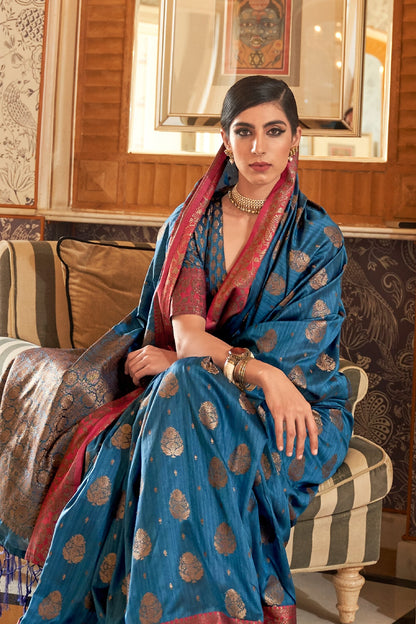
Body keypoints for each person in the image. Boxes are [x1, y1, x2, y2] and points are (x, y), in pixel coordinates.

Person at [7, 75, 351, 623]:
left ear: (296, 139)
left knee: (179, 387)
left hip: (294, 409)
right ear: (224, 140)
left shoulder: (316, 237)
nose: (258, 146)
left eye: (274, 131)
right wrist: (250, 371)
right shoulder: (193, 224)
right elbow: (188, 336)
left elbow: (296, 356)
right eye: (244, 131)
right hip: (217, 390)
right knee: (182, 389)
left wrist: (207, 365)